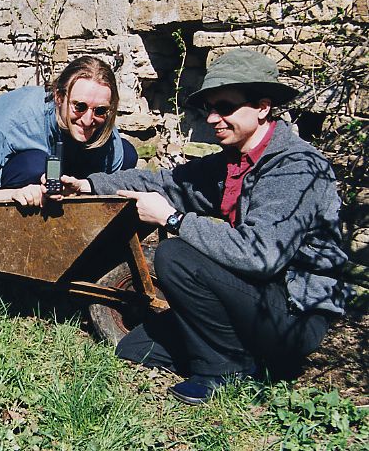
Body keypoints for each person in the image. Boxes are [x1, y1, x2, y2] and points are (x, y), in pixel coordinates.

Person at [60, 49, 354, 405]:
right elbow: (166, 184)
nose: (213, 118)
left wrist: (173, 219)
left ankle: (224, 370)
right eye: (209, 109)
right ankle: (249, 358)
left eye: (225, 108)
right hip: (255, 298)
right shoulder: (232, 162)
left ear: (262, 107)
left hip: (292, 315)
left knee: (175, 255)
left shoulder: (295, 167)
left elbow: (262, 256)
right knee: (136, 347)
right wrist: (90, 185)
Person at [0, 56, 138, 206]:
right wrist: (16, 193)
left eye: (99, 110)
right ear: (59, 97)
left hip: (62, 169)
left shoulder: (103, 128)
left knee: (127, 154)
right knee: (35, 164)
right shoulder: (15, 118)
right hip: (5, 177)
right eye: (79, 106)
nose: (88, 120)